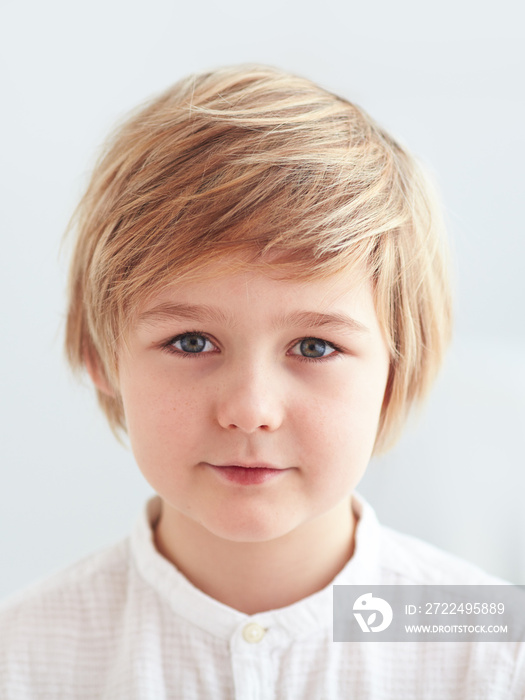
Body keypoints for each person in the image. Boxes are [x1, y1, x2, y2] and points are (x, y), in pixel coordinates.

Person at [0, 64, 523, 699]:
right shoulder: (23, 659)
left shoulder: (492, 653)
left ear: (397, 367)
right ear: (100, 355)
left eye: (314, 346)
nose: (250, 410)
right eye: (191, 342)